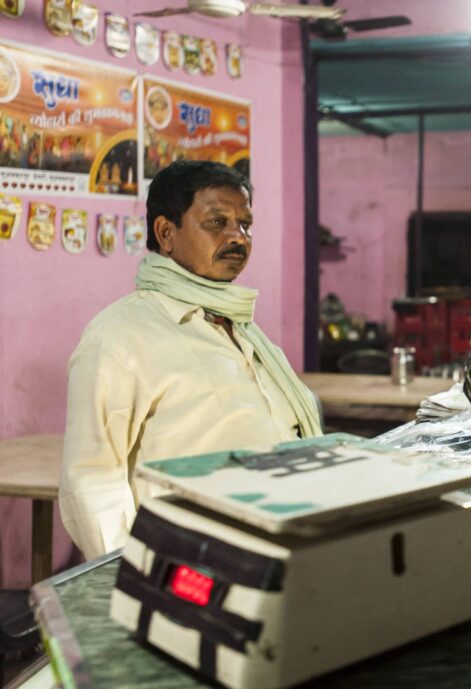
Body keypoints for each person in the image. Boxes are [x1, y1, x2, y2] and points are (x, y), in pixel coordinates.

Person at [61, 160, 322, 560]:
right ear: (166, 233)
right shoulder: (119, 339)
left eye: (245, 224)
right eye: (217, 222)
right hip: (192, 565)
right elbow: (92, 482)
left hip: (284, 546)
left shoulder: (244, 330)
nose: (238, 238)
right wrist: (134, 581)